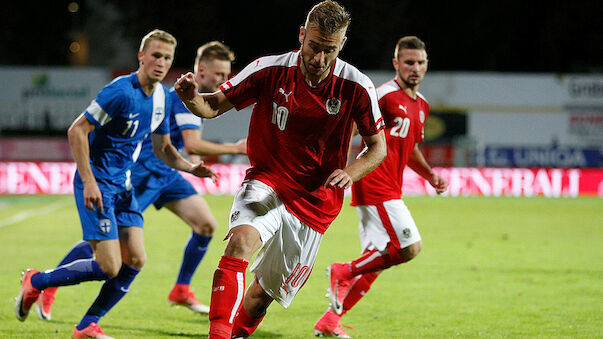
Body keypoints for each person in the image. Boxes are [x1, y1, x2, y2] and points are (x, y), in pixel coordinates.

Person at [175, 1, 387, 338]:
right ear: (302, 35)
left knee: (261, 297)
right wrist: (192, 98)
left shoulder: (357, 86)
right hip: (267, 181)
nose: (319, 59)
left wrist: (352, 171)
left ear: (342, 45)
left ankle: (237, 334)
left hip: (316, 203)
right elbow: (212, 106)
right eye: (314, 47)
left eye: (329, 50)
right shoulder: (269, 69)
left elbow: (378, 147)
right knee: (241, 241)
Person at [14, 29, 216, 339]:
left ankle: (86, 326)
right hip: (97, 185)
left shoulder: (162, 97)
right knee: (109, 266)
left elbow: (163, 149)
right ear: (141, 56)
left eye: (167, 58)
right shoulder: (119, 92)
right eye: (156, 55)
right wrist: (89, 181)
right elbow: (76, 131)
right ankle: (37, 282)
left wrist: (191, 168)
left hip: (123, 187)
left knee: (135, 260)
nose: (161, 63)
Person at [313, 36, 449, 338]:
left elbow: (409, 146)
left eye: (420, 63)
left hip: (391, 187)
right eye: (409, 62)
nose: (415, 68)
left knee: (374, 263)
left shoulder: (422, 105)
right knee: (408, 247)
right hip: (374, 183)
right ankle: (343, 271)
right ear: (396, 64)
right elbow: (350, 126)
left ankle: (329, 321)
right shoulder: (384, 95)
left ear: (427, 66)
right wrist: (343, 165)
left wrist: (429, 175)